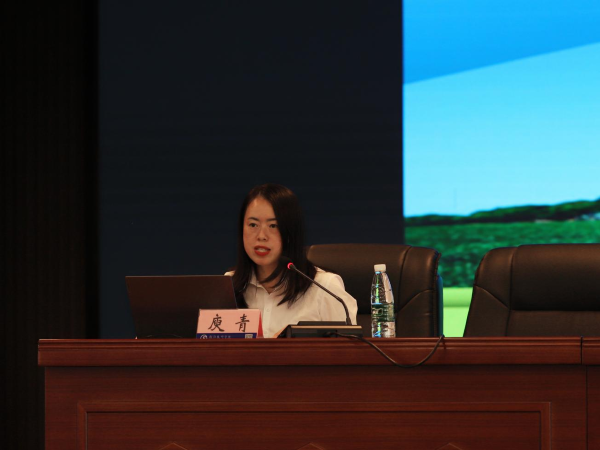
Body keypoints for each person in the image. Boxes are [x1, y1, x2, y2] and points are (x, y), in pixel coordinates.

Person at [226, 183, 358, 338]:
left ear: (290, 233)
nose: (261, 236)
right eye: (253, 224)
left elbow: (349, 349)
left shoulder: (324, 287)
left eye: (273, 225)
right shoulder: (228, 285)